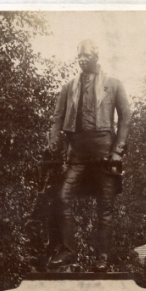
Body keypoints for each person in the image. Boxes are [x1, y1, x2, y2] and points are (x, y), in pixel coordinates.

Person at [47, 39, 131, 271]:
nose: (82, 60)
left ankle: (102, 257)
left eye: (86, 56)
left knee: (105, 206)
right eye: (79, 57)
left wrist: (118, 150)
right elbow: (57, 117)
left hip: (105, 151)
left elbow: (125, 117)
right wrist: (54, 142)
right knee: (63, 197)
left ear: (96, 56)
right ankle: (68, 251)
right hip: (77, 152)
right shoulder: (69, 87)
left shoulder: (113, 85)